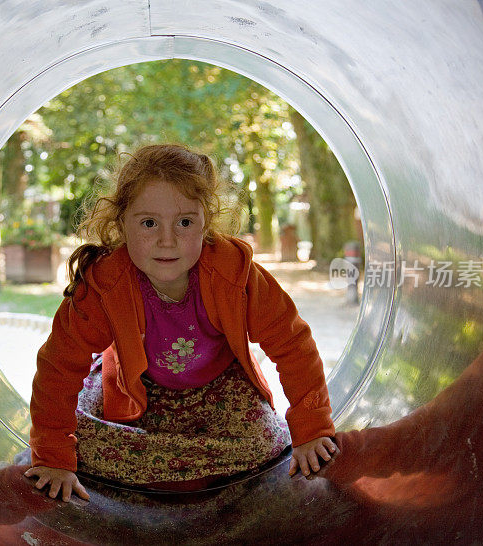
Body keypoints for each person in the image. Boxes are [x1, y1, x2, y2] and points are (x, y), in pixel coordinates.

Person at [24, 144, 336, 502]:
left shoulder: (234, 274)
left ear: (206, 223)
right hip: (137, 388)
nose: (167, 239)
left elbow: (292, 343)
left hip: (218, 385)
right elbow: (59, 366)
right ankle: (183, 471)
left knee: (264, 441)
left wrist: (311, 428)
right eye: (149, 223)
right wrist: (53, 456)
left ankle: (168, 472)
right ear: (121, 223)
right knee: (87, 443)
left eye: (185, 222)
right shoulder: (105, 285)